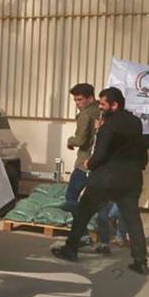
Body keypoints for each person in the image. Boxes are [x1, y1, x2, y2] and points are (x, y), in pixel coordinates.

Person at [51, 87, 149, 274]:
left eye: (103, 104)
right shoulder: (135, 122)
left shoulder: (109, 125)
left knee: (82, 212)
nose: (101, 107)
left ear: (115, 104)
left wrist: (90, 163)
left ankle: (70, 249)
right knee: (133, 220)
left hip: (106, 180)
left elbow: (101, 153)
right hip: (131, 179)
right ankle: (140, 261)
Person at [63, 83, 99, 212]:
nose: (77, 103)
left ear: (90, 98)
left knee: (71, 196)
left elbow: (81, 140)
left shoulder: (85, 115)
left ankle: (77, 228)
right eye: (75, 100)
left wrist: (69, 141)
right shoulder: (101, 111)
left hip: (84, 163)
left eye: (80, 99)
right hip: (100, 162)